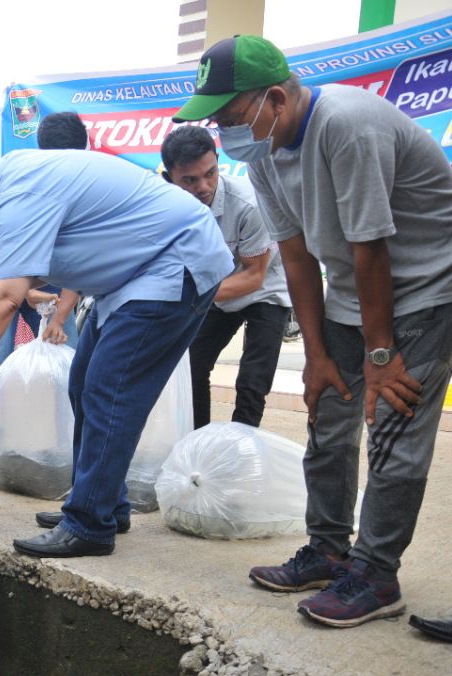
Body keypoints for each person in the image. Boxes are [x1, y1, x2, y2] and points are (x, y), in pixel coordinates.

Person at [175, 35, 452, 627]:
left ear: (274, 98)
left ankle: (376, 575)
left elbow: (370, 243)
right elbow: (296, 258)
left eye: (230, 115)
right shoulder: (266, 153)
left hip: (428, 290)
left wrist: (381, 355)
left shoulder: (347, 125)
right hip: (356, 294)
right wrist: (319, 354)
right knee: (328, 412)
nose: (226, 131)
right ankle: (329, 550)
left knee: (394, 431)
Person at [0, 141, 230, 559]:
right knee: (82, 383)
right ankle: (105, 503)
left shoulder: (22, 191)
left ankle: (90, 524)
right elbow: (23, 273)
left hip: (173, 262)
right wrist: (6, 277)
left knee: (108, 390)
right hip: (131, 276)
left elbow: (5, 301)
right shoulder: (12, 188)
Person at [160, 125, 291, 429]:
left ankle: (239, 448)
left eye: (210, 173)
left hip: (264, 290)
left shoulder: (248, 204)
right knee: (192, 364)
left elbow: (254, 276)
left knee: (252, 381)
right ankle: (197, 443)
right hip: (218, 291)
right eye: (189, 180)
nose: (203, 186)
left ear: (217, 162)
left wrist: (189, 298)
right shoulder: (167, 208)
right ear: (170, 178)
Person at [0, 112, 85, 414]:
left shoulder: (85, 187)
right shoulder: (21, 178)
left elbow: (82, 261)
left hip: (59, 287)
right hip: (10, 275)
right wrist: (21, 288)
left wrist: (61, 315)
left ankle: (66, 448)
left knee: (67, 367)